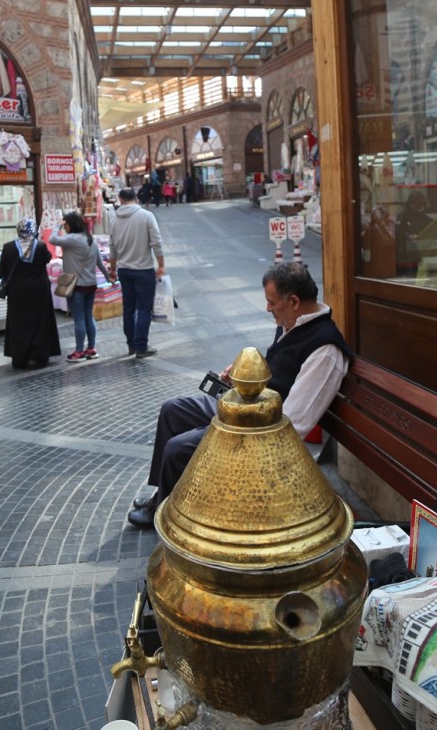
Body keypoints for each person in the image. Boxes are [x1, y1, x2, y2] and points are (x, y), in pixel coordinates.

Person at [128, 262, 352, 528]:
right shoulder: (292, 322)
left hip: (259, 433)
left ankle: (166, 517)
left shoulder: (325, 350)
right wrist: (244, 377)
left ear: (293, 301)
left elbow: (294, 424)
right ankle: (163, 496)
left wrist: (227, 426)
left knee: (179, 449)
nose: (268, 308)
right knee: (172, 410)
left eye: (272, 302)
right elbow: (280, 373)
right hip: (248, 409)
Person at [109, 186, 165, 358]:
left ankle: (131, 345)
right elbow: (156, 242)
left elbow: (112, 248)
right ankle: (141, 346)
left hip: (124, 270)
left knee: (128, 309)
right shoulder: (146, 216)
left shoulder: (114, 219)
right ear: (136, 198)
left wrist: (112, 269)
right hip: (143, 269)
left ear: (120, 199)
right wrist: (161, 265)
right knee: (143, 309)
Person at [0, 218, 61, 370]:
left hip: (17, 291)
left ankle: (20, 356)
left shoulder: (8, 248)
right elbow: (47, 259)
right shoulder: (40, 246)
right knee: (40, 321)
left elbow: (2, 271)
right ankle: (38, 355)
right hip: (39, 291)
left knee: (18, 322)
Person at [49, 210, 110, 362]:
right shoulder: (90, 239)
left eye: (66, 225)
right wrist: (109, 277)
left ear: (69, 225)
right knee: (89, 316)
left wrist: (58, 226)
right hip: (91, 284)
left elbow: (52, 239)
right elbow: (99, 263)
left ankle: (78, 352)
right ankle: (91, 348)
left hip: (76, 285)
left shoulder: (72, 239)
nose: (65, 228)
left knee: (79, 318)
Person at [395, 190, 434, 276]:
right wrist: (409, 236)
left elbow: (430, 223)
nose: (420, 206)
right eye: (418, 203)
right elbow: (399, 232)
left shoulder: (421, 214)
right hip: (405, 255)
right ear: (411, 203)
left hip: (416, 253)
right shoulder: (403, 215)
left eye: (422, 204)